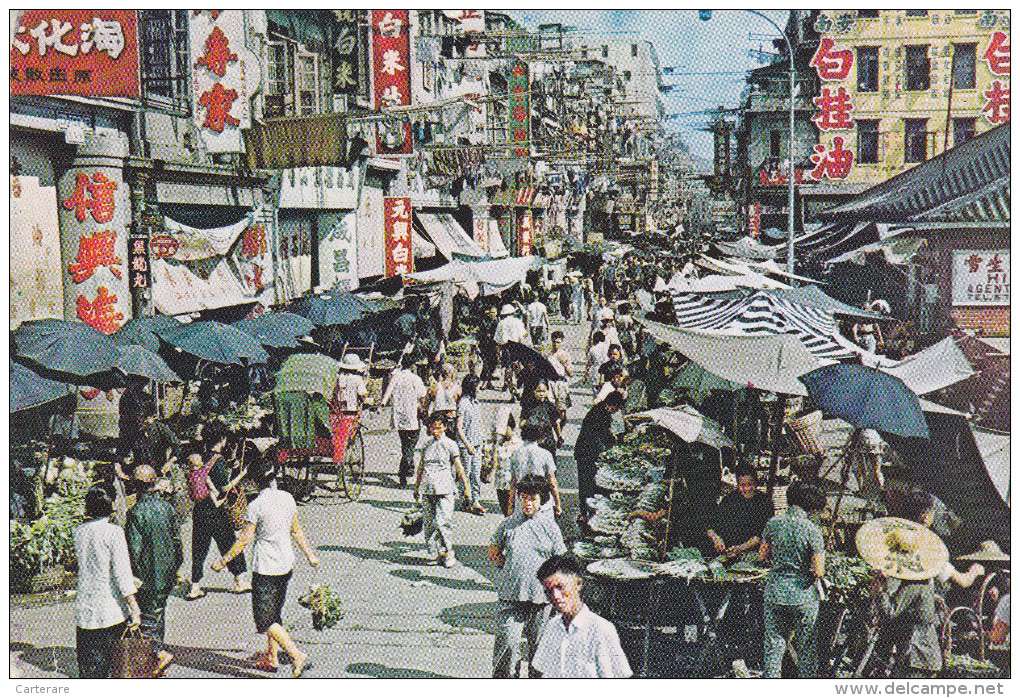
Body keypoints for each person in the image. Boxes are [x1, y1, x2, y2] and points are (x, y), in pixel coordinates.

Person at [213, 459, 318, 677]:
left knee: (264, 620)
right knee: (275, 612)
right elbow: (296, 530)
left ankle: (296, 654)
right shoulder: (288, 498)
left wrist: (222, 561)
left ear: (253, 481)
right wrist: (310, 554)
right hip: (286, 563)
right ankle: (272, 656)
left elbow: (243, 540)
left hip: (266, 567)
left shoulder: (255, 506)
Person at [489, 475, 568, 677]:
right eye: (523, 497)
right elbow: (494, 550)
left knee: (540, 649)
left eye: (532, 498)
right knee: (507, 643)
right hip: (511, 595)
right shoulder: (508, 525)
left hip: (541, 599)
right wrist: (508, 569)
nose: (527, 503)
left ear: (541, 500)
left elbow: (560, 561)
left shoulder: (550, 527)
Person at [760, 478, 828, 679]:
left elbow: (762, 556)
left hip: (775, 592)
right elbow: (818, 571)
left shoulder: (773, 523)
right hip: (802, 596)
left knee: (774, 645)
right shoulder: (812, 530)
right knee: (806, 646)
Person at [74, 484, 142, 678]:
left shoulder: (79, 531)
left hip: (85, 609)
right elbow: (122, 574)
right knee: (115, 668)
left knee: (90, 670)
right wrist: (134, 607)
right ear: (110, 504)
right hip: (110, 611)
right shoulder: (114, 532)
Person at [531, 554, 633, 678]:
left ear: (578, 583)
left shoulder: (601, 629)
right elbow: (540, 669)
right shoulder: (552, 627)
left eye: (560, 587)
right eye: (549, 591)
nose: (555, 596)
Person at [124, 464, 181, 677]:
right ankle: (156, 654)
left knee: (148, 617)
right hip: (166, 571)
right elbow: (178, 543)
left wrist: (133, 576)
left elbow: (134, 549)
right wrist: (175, 567)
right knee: (158, 613)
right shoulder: (167, 508)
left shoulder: (136, 512)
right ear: (155, 482)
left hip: (147, 574)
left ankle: (156, 654)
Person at [186, 421, 249, 599]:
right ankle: (240, 581)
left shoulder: (199, 458)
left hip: (199, 509)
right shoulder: (218, 461)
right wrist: (241, 475)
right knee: (228, 542)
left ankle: (194, 586)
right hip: (216, 510)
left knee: (198, 548)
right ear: (221, 439)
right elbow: (224, 487)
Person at [414, 413, 473, 567]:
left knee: (442, 522)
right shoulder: (426, 445)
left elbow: (459, 467)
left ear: (445, 427)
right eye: (433, 427)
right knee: (428, 524)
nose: (435, 431)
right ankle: (434, 552)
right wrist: (416, 486)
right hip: (428, 488)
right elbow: (421, 466)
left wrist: (466, 488)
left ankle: (448, 551)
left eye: (439, 427)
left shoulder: (450, 444)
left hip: (445, 489)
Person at [574, 391, 624, 526]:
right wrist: (607, 450)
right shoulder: (600, 414)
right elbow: (596, 435)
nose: (616, 411)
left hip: (588, 452)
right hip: (587, 453)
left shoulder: (600, 410)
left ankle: (589, 512)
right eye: (617, 408)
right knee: (587, 483)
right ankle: (585, 513)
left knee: (590, 483)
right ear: (612, 405)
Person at [382, 354, 428, 487]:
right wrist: (424, 410)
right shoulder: (415, 379)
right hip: (412, 416)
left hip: (399, 416)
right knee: (411, 446)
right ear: (412, 365)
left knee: (405, 444)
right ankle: (404, 470)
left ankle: (409, 467)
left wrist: (382, 404)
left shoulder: (395, 377)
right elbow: (422, 396)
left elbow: (387, 393)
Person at [707, 467, 774, 558]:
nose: (746, 489)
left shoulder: (764, 502)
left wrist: (740, 549)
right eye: (742, 485)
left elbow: (761, 535)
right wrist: (716, 539)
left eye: (750, 484)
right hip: (727, 552)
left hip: (752, 553)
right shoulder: (729, 500)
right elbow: (712, 526)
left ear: (756, 483)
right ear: (738, 485)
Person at [509, 424, 563, 517]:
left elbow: (513, 483)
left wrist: (510, 506)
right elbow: (552, 482)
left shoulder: (515, 454)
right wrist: (558, 504)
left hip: (523, 500)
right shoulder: (545, 454)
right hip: (541, 499)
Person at [456, 375, 486, 516]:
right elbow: (459, 427)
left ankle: (476, 500)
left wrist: (483, 441)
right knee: (465, 474)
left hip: (477, 443)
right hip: (466, 445)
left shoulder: (476, 402)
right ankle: (465, 500)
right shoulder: (463, 403)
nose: (480, 388)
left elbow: (479, 423)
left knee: (476, 473)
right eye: (478, 385)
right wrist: (467, 445)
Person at [519, 381, 562, 460]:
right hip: (532, 439)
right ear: (534, 391)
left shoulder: (550, 406)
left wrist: (559, 437)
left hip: (547, 438)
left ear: (547, 392)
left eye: (543, 391)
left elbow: (555, 423)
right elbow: (522, 422)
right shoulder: (528, 405)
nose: (541, 394)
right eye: (538, 391)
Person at [491, 405, 521, 516]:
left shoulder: (518, 444)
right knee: (505, 514)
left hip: (512, 485)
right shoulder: (498, 443)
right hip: (500, 484)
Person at [495, 304, 528, 391]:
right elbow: (522, 336)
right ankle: (519, 383)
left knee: (507, 367)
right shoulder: (517, 322)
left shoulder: (501, 323)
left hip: (506, 347)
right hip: (516, 346)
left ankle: (508, 385)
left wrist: (498, 353)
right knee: (517, 366)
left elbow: (498, 340)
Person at [425, 362, 460, 435]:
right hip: (451, 416)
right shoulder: (457, 388)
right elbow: (459, 403)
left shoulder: (435, 387)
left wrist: (427, 417)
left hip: (438, 417)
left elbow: (427, 402)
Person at [478, 305, 500, 389]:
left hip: (493, 345)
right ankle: (485, 381)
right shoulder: (484, 321)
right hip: (485, 345)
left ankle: (489, 381)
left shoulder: (497, 322)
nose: (492, 314)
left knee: (493, 363)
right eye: (491, 312)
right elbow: (480, 332)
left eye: (494, 313)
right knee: (486, 363)